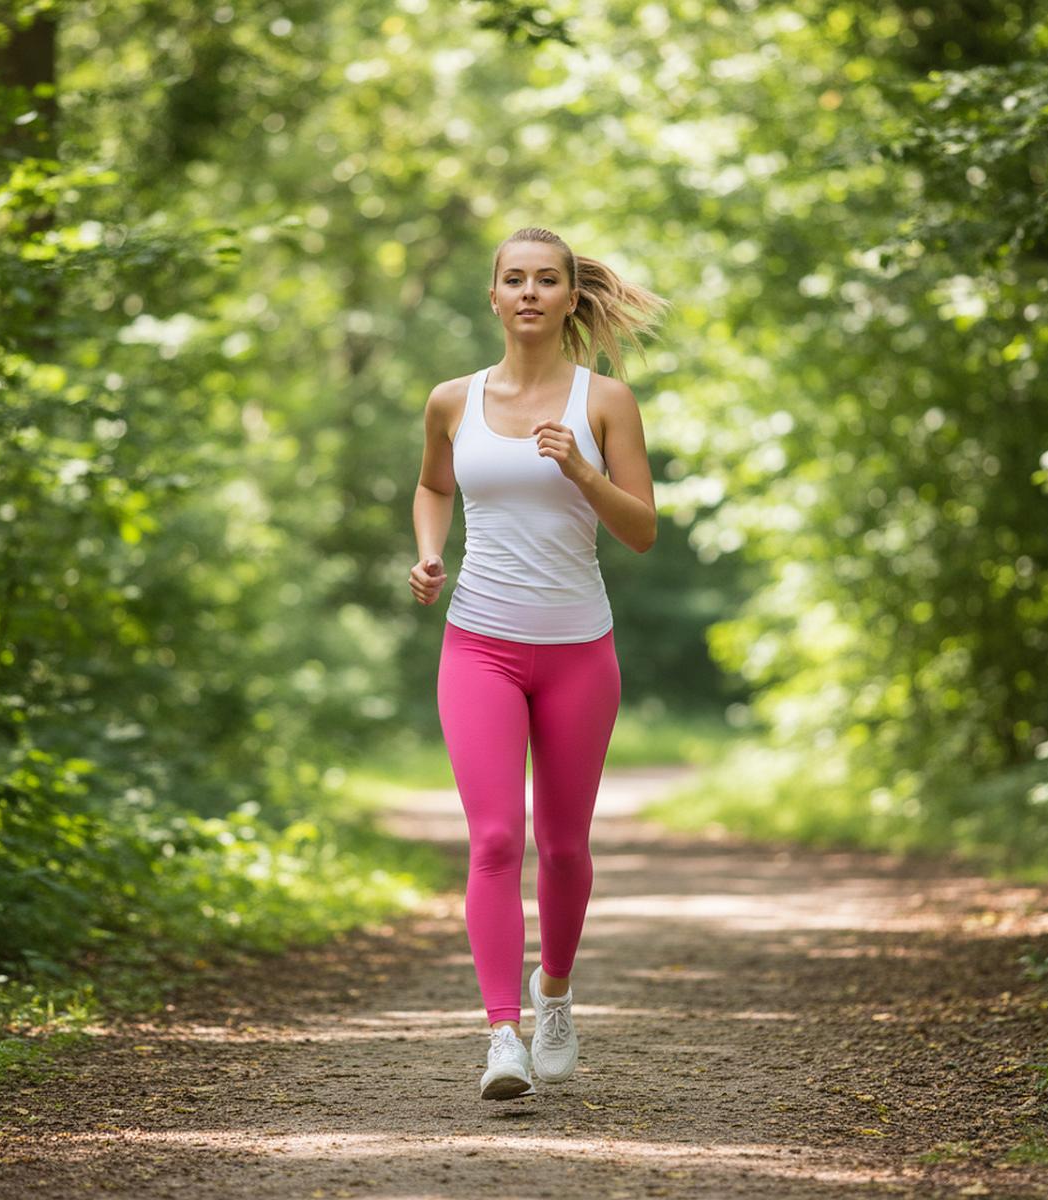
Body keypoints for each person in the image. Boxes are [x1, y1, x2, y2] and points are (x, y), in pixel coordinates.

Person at [409, 226, 667, 1100]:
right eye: (514, 279)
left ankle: (553, 994)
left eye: (546, 280)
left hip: (578, 650)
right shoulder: (453, 400)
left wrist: (582, 472)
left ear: (568, 297)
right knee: (493, 840)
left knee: (562, 847)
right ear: (493, 296)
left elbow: (642, 531)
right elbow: (434, 485)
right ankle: (502, 1036)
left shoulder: (607, 401)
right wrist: (429, 553)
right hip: (478, 643)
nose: (529, 292)